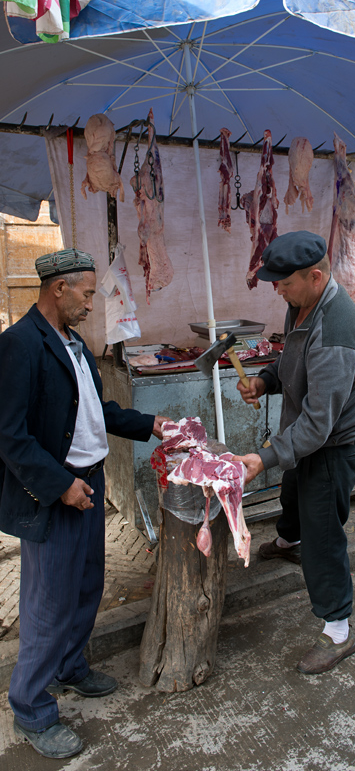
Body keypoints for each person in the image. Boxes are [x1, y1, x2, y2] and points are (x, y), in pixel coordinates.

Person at [0, 249, 168, 760]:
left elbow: (98, 412)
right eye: (88, 294)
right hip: (56, 495)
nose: (93, 304)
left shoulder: (74, 344)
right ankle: (30, 707)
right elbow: (11, 436)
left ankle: (70, 667)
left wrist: (150, 425)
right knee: (47, 605)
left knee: (86, 586)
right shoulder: (19, 345)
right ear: (59, 289)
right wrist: (60, 486)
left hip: (88, 488)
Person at [233, 231, 355, 675]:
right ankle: (288, 541)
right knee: (293, 494)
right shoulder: (301, 303)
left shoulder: (337, 330)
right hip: (308, 433)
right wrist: (265, 380)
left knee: (323, 532)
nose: (278, 290)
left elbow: (318, 423)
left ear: (316, 276)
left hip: (333, 444)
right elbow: (291, 357)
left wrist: (265, 456)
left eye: (285, 283)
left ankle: (338, 629)